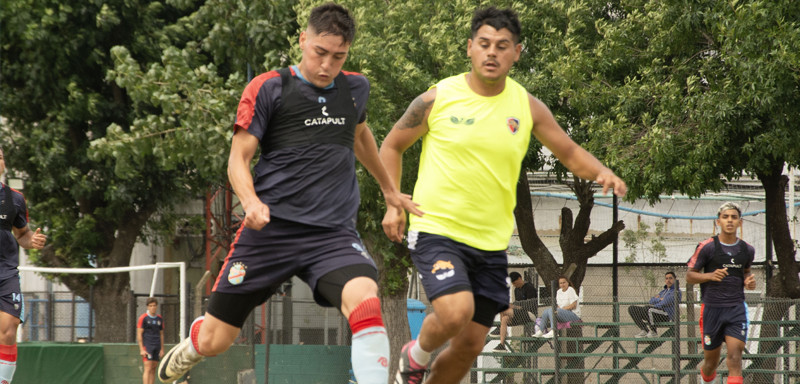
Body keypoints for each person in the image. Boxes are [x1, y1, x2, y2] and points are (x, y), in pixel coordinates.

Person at [157, 4, 420, 383]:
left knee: (366, 300)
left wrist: (390, 191)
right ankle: (196, 342)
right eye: (319, 52)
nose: (327, 65)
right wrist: (251, 202)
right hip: (269, 233)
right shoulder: (269, 88)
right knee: (217, 341)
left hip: (332, 234)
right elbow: (238, 159)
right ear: (302, 40)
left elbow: (359, 135)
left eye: (338, 57)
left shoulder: (354, 88)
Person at [379, 7, 627, 384]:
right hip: (437, 231)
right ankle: (415, 355)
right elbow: (392, 145)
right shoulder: (438, 98)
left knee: (470, 345)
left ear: (517, 52)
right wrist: (393, 201)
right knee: (455, 312)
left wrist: (601, 171)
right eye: (484, 44)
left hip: (489, 245)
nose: (491, 52)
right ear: (470, 48)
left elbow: (570, 152)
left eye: (501, 45)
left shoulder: (526, 106)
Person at [687, 202, 756, 384]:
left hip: (736, 309)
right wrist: (709, 275)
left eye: (734, 217)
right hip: (712, 310)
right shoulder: (707, 247)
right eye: (725, 217)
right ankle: (706, 378)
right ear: (718, 222)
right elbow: (690, 276)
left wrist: (747, 280)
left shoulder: (747, 250)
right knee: (711, 363)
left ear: (740, 222)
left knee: (735, 358)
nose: (729, 220)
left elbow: (746, 271)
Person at [0, 146, 47, 384]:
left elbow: (22, 234)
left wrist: (33, 240)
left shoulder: (15, 198)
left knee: (9, 330)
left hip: (6, 272)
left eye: (0, 157)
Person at [492, 272, 537, 352]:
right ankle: (502, 345)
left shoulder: (529, 287)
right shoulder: (516, 290)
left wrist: (513, 306)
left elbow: (530, 305)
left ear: (519, 278)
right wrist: (512, 306)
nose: (514, 285)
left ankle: (500, 329)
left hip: (529, 314)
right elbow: (517, 305)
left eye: (515, 283)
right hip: (519, 314)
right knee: (504, 318)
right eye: (512, 284)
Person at [628, 272, 682, 338]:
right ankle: (644, 330)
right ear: (665, 280)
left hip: (665, 314)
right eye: (666, 278)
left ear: (675, 280)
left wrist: (658, 302)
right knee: (632, 309)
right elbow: (651, 300)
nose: (668, 280)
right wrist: (659, 299)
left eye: (670, 278)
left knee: (648, 309)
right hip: (654, 311)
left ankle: (653, 332)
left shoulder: (676, 291)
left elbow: (666, 302)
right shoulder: (663, 292)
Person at [138, 298, 164, 384]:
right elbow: (139, 334)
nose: (152, 307)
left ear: (157, 306)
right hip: (148, 346)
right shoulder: (143, 318)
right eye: (150, 306)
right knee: (148, 368)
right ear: (147, 307)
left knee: (153, 368)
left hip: (157, 346)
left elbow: (161, 334)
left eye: (154, 306)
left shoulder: (159, 319)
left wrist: (162, 349)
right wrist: (142, 349)